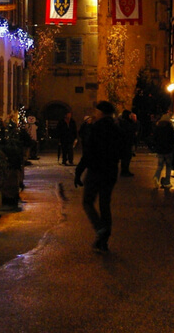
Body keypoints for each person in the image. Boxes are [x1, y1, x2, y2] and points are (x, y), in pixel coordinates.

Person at [74, 101, 122, 253]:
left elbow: (88, 152)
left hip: (96, 171)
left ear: (101, 112)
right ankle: (103, 241)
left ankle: (100, 228)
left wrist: (79, 171)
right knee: (104, 204)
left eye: (97, 111)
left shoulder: (96, 128)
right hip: (110, 171)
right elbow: (122, 150)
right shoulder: (116, 129)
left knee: (88, 201)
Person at [152, 110, 174, 188]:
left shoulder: (157, 128)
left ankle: (156, 177)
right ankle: (167, 182)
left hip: (160, 150)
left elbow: (154, 138)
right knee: (168, 166)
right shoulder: (170, 128)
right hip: (168, 150)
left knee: (160, 166)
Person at [118, 110, 138, 177]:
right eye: (129, 115)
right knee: (126, 158)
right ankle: (124, 171)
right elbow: (127, 132)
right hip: (126, 143)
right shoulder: (125, 123)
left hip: (127, 142)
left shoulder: (126, 122)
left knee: (127, 158)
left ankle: (126, 170)